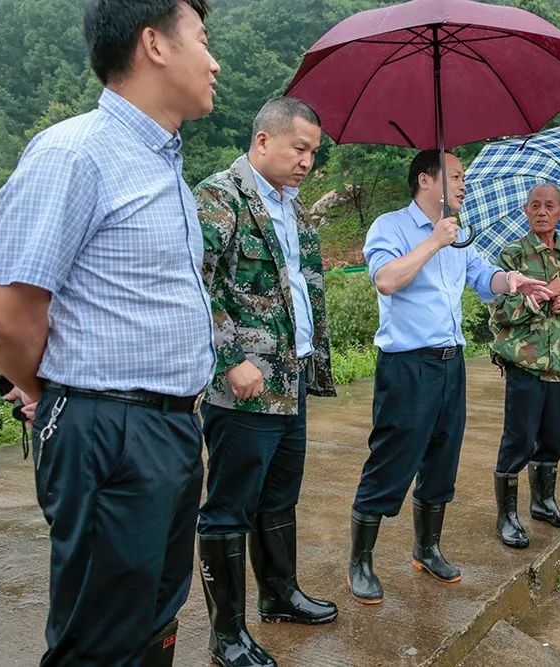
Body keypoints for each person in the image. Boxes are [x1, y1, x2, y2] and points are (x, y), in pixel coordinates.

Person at [0, 1, 220, 664]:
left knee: (155, 622)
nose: (215, 60)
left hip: (170, 426)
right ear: (155, 44)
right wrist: (62, 397)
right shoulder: (74, 153)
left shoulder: (162, 165)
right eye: (203, 38)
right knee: (102, 642)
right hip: (111, 429)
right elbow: (6, 316)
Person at [347, 150, 552, 605]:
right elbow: (385, 280)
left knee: (443, 457)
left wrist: (514, 280)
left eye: (464, 178)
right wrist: (433, 242)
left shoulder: (459, 235)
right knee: (392, 458)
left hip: (449, 363)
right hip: (407, 366)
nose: (463, 185)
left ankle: (428, 548)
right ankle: (361, 561)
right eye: (456, 176)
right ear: (426, 180)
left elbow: (484, 279)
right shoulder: (391, 226)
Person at [194, 97, 337, 667]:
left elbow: (302, 289)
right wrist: (230, 357)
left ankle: (279, 596)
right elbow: (194, 283)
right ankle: (226, 633)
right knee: (229, 507)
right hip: (244, 386)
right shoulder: (220, 197)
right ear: (262, 141)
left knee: (279, 496)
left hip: (289, 377)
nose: (306, 161)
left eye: (313, 153)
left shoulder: (294, 209)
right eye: (299, 148)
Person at [489, 184, 560, 548]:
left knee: (552, 440)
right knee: (518, 439)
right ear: (525, 210)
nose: (542, 211)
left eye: (549, 205)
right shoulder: (514, 256)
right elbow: (499, 312)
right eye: (535, 205)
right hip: (526, 364)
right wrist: (538, 297)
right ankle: (507, 516)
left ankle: (543, 503)